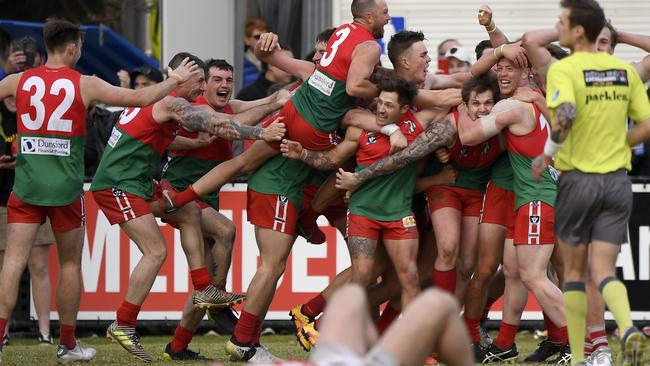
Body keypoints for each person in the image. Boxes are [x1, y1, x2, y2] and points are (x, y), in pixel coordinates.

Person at [0, 18, 200, 364]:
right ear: (74, 47)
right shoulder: (84, 83)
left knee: (13, 262)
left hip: (27, 186)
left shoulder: (17, 81)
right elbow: (141, 98)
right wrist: (175, 79)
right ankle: (67, 344)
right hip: (65, 189)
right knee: (68, 264)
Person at [89, 52, 285, 362]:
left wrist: (306, 82)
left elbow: (159, 138)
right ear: (184, 78)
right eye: (203, 81)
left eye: (219, 80)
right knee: (158, 251)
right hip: (119, 184)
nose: (206, 86)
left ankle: (204, 294)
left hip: (139, 182)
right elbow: (221, 126)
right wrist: (262, 132)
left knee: (189, 211)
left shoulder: (165, 104)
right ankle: (124, 323)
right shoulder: (173, 102)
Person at [531, 1, 650, 365]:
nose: (558, 25)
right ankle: (627, 326)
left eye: (562, 21)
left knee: (575, 273)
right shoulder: (623, 72)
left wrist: (548, 153)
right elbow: (645, 127)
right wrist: (617, 144)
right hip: (617, 182)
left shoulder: (566, 69)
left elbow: (565, 114)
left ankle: (583, 356)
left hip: (578, 181)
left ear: (576, 30)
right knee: (604, 271)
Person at [160, 58, 289, 360]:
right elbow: (235, 125)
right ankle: (217, 300)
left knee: (202, 283)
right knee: (226, 230)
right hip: (180, 191)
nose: (224, 85)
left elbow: (263, 102)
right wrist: (272, 106)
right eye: (217, 79)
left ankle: (177, 347)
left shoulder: (230, 106)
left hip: (205, 196)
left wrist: (281, 97)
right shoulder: (199, 109)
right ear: (204, 83)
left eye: (229, 80)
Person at [0, 96, 54, 347]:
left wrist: (22, 162)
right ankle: (4, 330)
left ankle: (45, 332)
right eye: (7, 95)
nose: (12, 100)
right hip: (2, 200)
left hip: (35, 199)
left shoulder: (37, 118)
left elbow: (51, 155)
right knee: (5, 269)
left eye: (16, 95)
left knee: (39, 267)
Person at [243, 16, 269, 87]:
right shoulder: (241, 64)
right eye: (257, 37)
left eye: (265, 37)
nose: (262, 41)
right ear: (247, 40)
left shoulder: (271, 62)